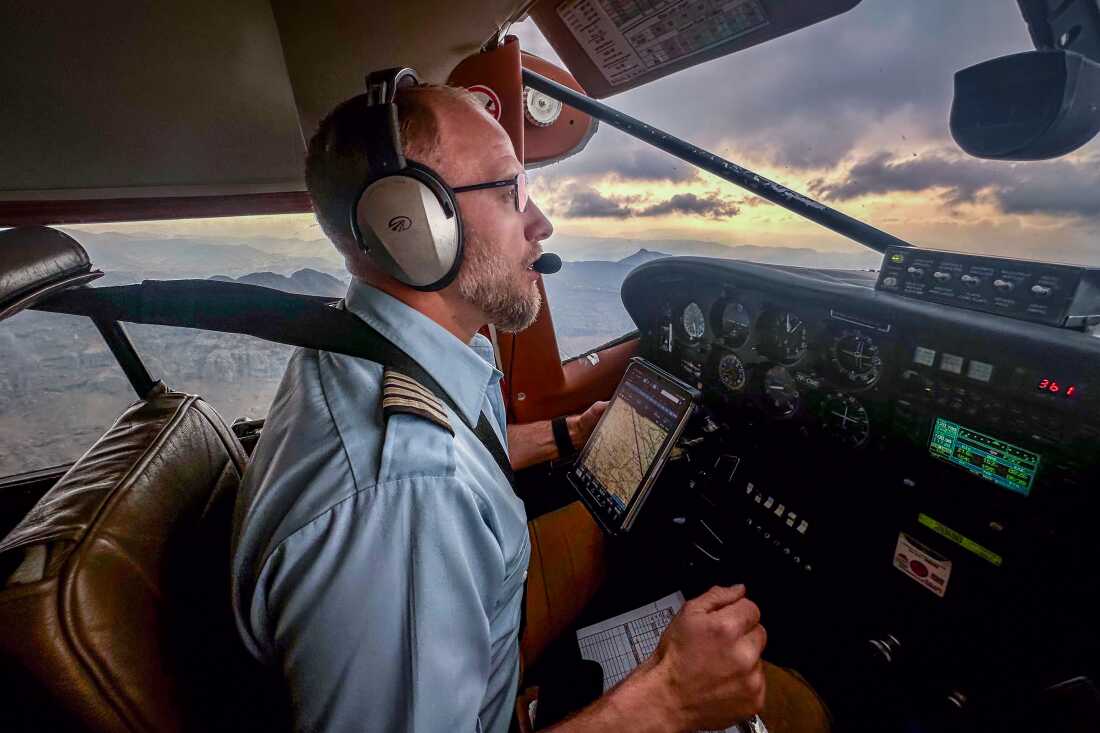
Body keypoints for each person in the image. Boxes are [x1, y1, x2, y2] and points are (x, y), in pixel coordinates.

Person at [230, 81, 829, 733]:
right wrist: (667, 699)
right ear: (411, 225)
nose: (541, 223)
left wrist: (565, 434)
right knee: (795, 706)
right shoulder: (407, 502)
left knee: (615, 534)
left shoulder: (365, 346)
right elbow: (428, 479)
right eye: (510, 190)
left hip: (479, 657)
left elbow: (458, 441)